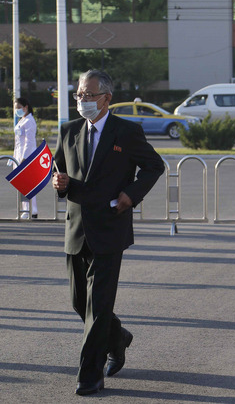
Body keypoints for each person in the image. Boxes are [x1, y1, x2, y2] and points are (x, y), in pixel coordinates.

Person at [52, 70, 164, 395]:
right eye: (79, 95)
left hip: (110, 227)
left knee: (98, 306)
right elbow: (61, 171)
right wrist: (59, 185)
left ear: (106, 99)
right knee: (79, 304)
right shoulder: (69, 130)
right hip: (76, 229)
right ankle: (119, 337)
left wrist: (132, 194)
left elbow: (154, 166)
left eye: (89, 95)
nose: (82, 101)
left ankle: (90, 375)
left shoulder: (126, 132)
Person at [12, 97, 38, 219]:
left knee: (27, 184)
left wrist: (24, 158)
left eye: (19, 108)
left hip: (26, 156)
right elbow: (18, 142)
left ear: (26, 107)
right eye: (15, 108)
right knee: (22, 185)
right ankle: (26, 210)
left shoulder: (29, 121)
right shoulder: (22, 120)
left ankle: (30, 210)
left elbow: (29, 142)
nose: (17, 110)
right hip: (18, 155)